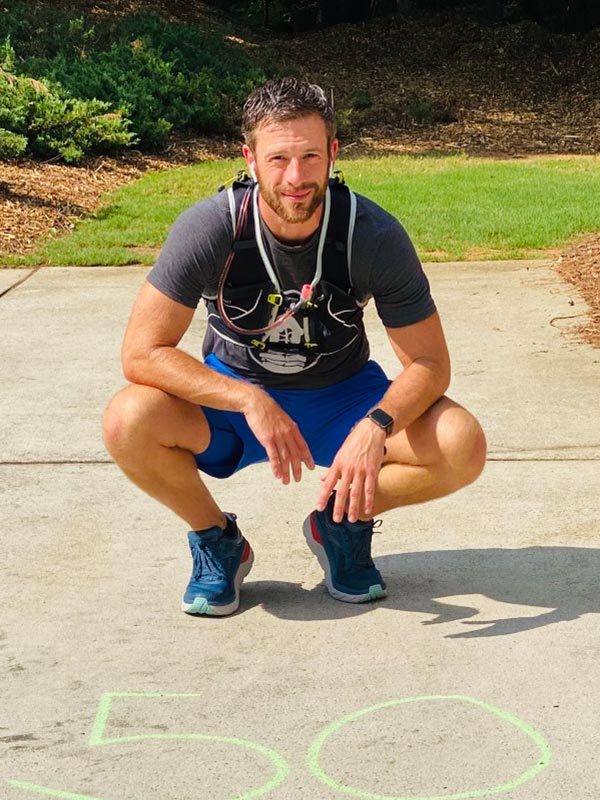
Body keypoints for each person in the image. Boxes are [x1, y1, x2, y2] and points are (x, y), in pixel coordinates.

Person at [103, 77, 486, 617]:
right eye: (278, 158)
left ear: (333, 153)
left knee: (461, 444)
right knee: (128, 419)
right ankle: (217, 540)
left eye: (310, 156)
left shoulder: (371, 234)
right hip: (233, 402)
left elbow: (429, 362)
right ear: (250, 159)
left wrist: (375, 426)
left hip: (343, 398)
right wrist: (247, 399)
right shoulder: (211, 227)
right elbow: (141, 352)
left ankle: (341, 523)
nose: (296, 177)